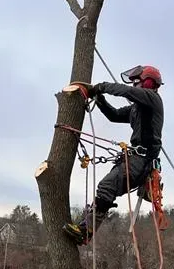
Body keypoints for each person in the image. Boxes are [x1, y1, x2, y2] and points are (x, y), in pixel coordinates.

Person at [64, 64, 164, 245]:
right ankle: (86, 228)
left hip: (143, 160)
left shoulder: (152, 100)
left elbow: (125, 91)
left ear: (148, 84)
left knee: (107, 185)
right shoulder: (137, 108)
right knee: (107, 188)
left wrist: (100, 87)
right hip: (135, 158)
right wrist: (99, 99)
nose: (134, 86)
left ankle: (86, 231)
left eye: (137, 83)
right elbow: (115, 115)